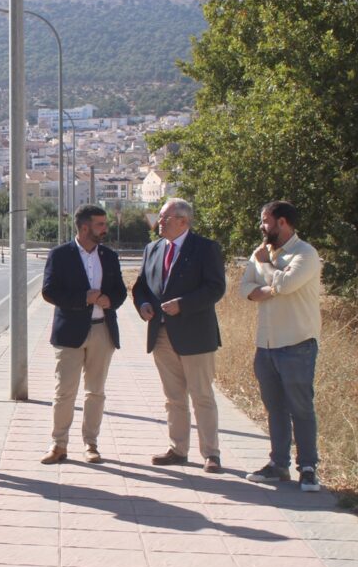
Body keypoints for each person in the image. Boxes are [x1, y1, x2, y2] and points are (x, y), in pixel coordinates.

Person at [132, 198, 226, 473]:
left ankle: (211, 454)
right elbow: (140, 286)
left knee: (202, 396)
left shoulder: (205, 248)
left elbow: (215, 288)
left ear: (183, 221)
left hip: (195, 335)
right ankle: (178, 449)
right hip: (161, 334)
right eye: (160, 217)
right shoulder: (152, 249)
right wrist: (142, 304)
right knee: (173, 397)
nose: (159, 222)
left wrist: (183, 304)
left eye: (165, 218)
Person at [241, 201, 322, 491]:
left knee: (301, 408)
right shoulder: (261, 252)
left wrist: (266, 267)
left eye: (265, 220)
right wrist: (270, 288)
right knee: (274, 408)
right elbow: (245, 289)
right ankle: (278, 465)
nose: (261, 226)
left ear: (282, 222)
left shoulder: (305, 253)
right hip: (265, 344)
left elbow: (286, 285)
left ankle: (308, 468)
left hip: (297, 343)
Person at [40, 205, 127, 464]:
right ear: (85, 227)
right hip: (69, 333)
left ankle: (91, 444)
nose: (105, 229)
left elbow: (120, 291)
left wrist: (111, 300)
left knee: (95, 392)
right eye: (101, 224)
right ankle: (58, 445)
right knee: (64, 392)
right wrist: (83, 298)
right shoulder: (60, 255)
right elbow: (49, 291)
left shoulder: (109, 256)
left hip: (102, 331)